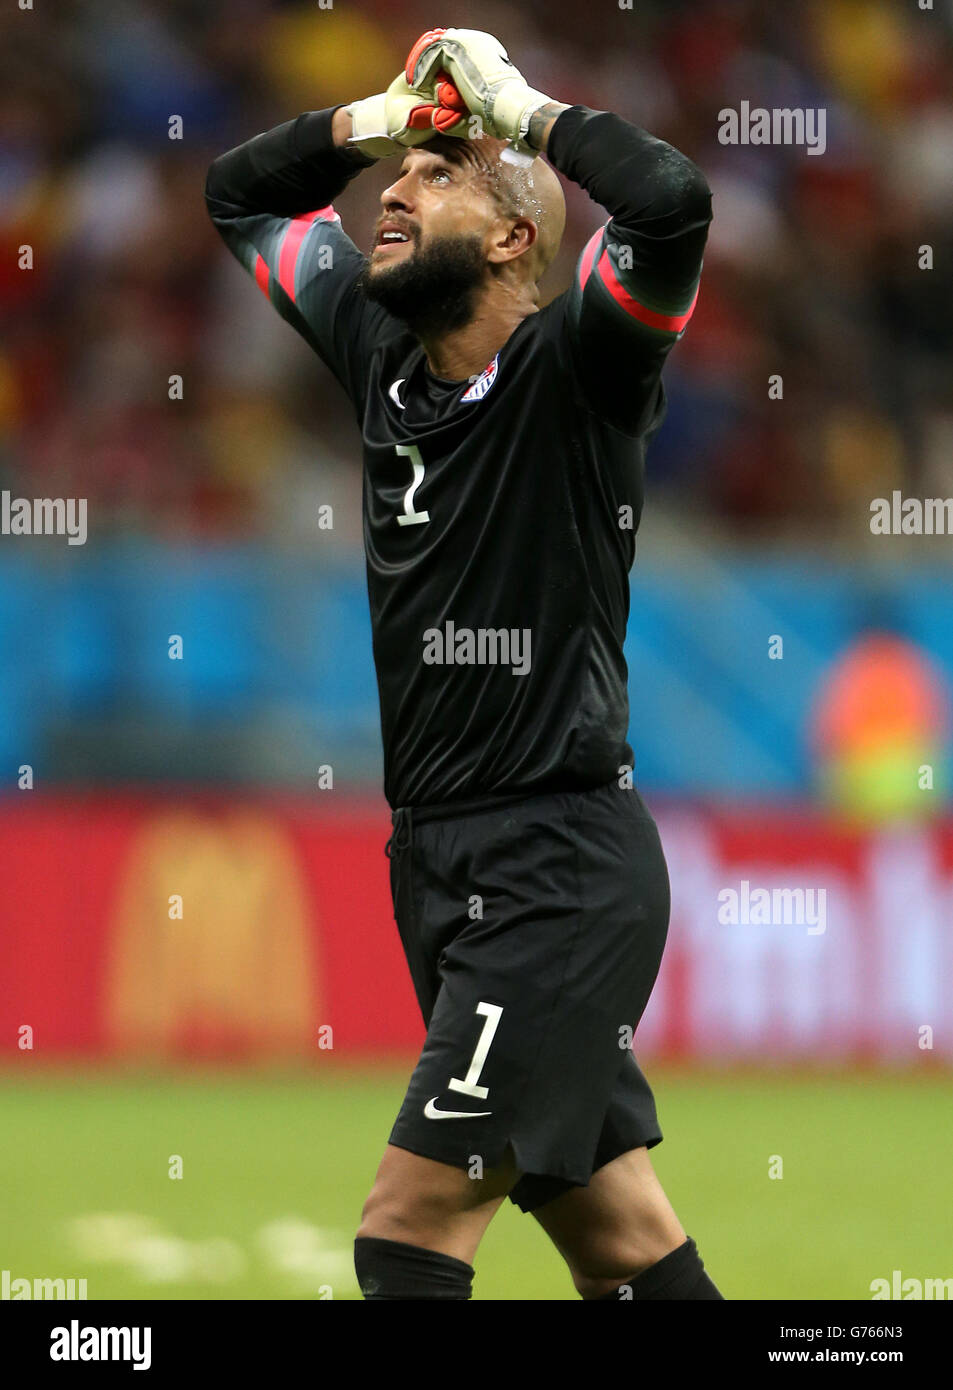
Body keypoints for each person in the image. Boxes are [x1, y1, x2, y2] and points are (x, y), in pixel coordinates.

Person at [206, 27, 720, 1301]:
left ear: (509, 239)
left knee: (407, 1226)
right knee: (617, 1239)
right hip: (434, 863)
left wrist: (521, 111)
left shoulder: (583, 368)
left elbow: (669, 205)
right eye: (399, 172)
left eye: (433, 178)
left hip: (555, 870)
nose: (392, 188)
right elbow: (235, 192)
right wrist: (371, 119)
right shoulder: (379, 357)